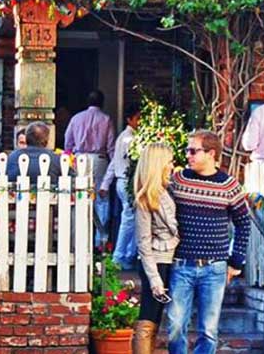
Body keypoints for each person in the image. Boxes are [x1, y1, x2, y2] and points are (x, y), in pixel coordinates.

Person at [167, 130, 252, 354]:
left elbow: (244, 223)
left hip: (214, 268)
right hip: (182, 264)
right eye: (187, 150)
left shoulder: (228, 185)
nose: (188, 155)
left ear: (211, 153)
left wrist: (236, 262)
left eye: (193, 151)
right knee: (176, 326)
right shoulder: (178, 181)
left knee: (209, 330)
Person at [131, 143, 180, 354]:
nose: (172, 165)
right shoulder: (144, 199)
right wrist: (155, 278)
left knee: (158, 318)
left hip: (171, 259)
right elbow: (143, 243)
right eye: (168, 161)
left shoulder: (167, 191)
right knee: (149, 315)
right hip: (156, 262)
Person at [64, 90, 116, 245]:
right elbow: (111, 146)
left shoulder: (76, 118)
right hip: (99, 159)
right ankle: (100, 240)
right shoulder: (106, 120)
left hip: (80, 158)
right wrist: (113, 168)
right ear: (102, 103)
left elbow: (68, 143)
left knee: (80, 195)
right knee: (101, 198)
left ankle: (79, 237)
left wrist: (70, 160)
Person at [101, 103, 141, 268]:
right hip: (126, 181)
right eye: (138, 118)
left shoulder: (123, 138)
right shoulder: (128, 139)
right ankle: (119, 255)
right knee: (129, 218)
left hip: (121, 180)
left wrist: (105, 183)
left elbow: (113, 163)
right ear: (129, 119)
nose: (140, 122)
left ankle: (128, 254)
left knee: (133, 218)